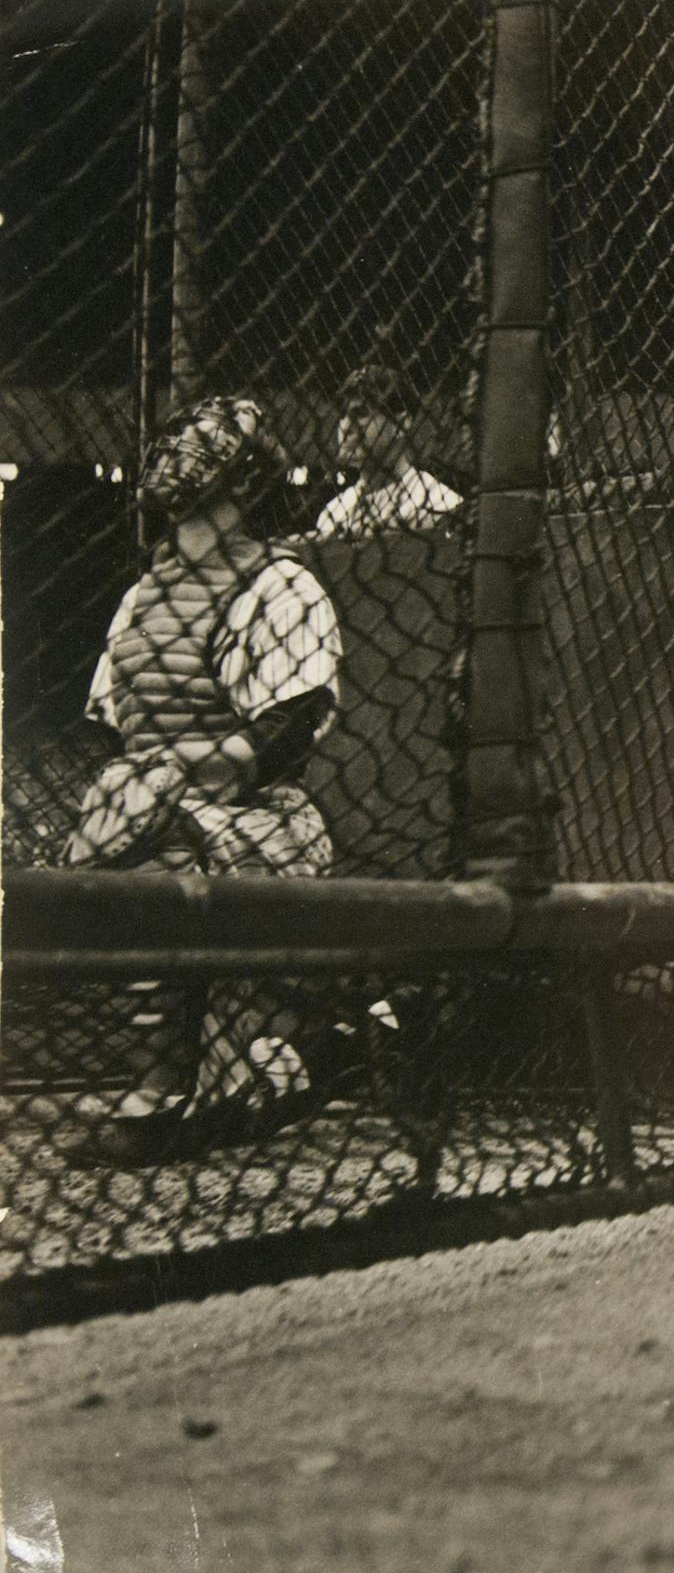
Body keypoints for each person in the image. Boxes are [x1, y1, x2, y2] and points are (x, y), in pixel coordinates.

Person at [58, 396, 351, 1167]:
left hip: (262, 818)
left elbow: (285, 735)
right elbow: (119, 720)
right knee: (123, 834)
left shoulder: (280, 582)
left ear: (246, 477)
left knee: (151, 845)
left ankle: (217, 1077)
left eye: (211, 445)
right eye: (182, 439)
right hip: (170, 808)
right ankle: (197, 1076)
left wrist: (175, 774)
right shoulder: (146, 594)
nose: (184, 454)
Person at [312, 366, 463, 536]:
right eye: (342, 416)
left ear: (401, 424)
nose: (346, 427)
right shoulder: (334, 512)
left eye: (361, 414)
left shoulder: (440, 504)